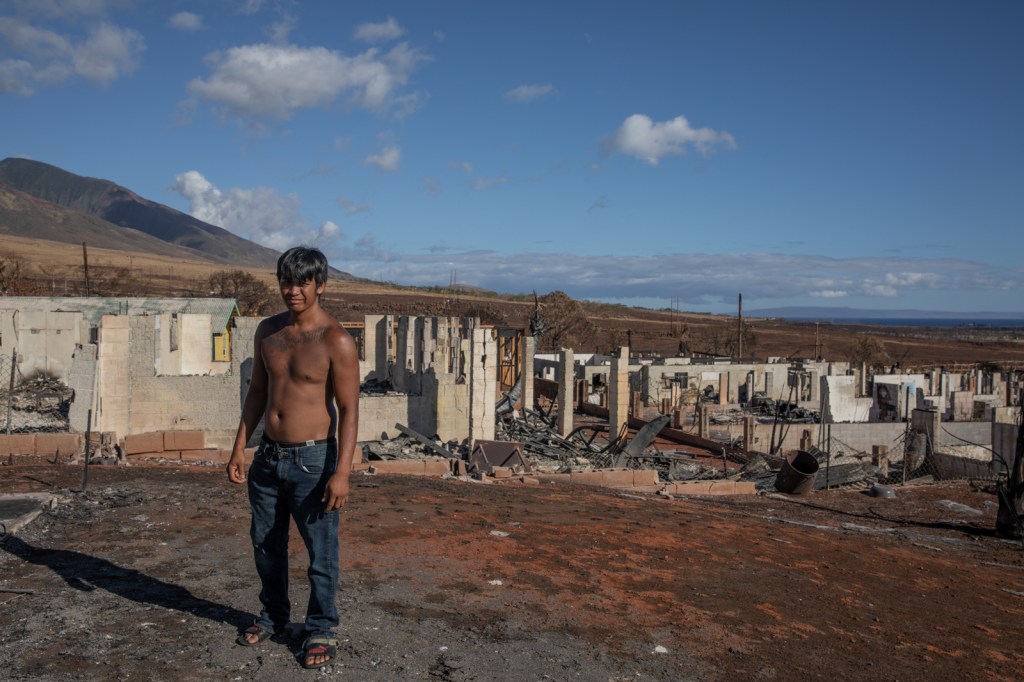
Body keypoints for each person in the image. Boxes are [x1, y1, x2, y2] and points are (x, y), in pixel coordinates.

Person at [226, 246, 359, 670]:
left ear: (320, 284)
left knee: (321, 552)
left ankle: (320, 627)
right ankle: (274, 616)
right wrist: (239, 447)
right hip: (268, 457)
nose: (293, 290)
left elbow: (350, 409)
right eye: (287, 281)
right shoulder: (268, 332)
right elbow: (257, 394)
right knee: (265, 545)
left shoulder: (335, 339)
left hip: (314, 460)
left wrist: (342, 473)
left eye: (303, 281)